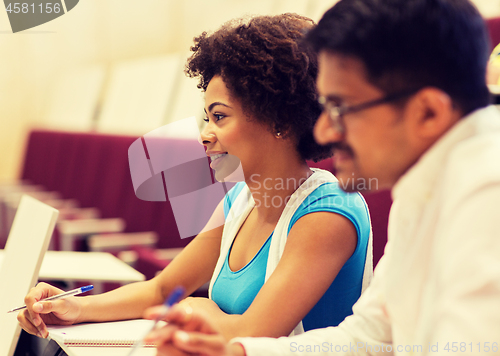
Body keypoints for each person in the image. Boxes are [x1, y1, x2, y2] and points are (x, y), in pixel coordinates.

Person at [140, 0, 500, 355]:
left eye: (340, 107)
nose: (324, 130)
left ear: (428, 112)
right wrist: (234, 352)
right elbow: (368, 338)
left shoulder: (488, 194)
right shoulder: (422, 188)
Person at [18, 13, 372, 342]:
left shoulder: (329, 211)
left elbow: (253, 335)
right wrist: (75, 309)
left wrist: (194, 306)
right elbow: (163, 290)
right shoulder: (240, 199)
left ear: (279, 121)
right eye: (206, 118)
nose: (205, 133)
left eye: (219, 117)